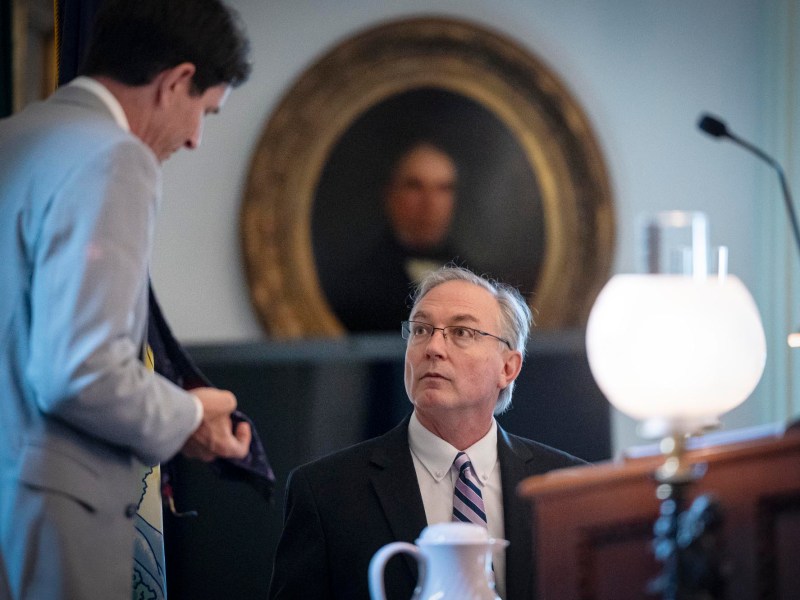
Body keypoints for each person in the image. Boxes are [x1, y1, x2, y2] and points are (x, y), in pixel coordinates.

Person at [0, 0, 253, 598]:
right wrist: (192, 415)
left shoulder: (12, 138)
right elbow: (80, 372)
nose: (194, 139)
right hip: (54, 515)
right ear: (176, 82)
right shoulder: (115, 157)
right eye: (204, 112)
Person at [268, 265, 586, 600]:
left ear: (508, 367)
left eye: (462, 332)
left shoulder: (569, 488)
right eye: (421, 330)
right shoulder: (324, 493)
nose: (433, 347)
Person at [321, 141, 461, 332]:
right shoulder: (356, 287)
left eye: (443, 188)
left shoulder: (475, 279)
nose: (430, 202)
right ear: (390, 196)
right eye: (415, 186)